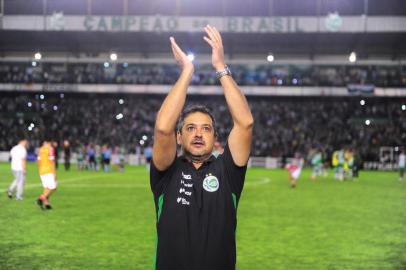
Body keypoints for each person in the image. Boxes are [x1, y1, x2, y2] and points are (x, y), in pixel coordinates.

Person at [150, 25, 253, 270]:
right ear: (179, 137)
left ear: (216, 137)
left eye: (206, 129)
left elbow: (245, 123)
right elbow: (162, 128)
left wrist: (220, 67)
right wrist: (187, 71)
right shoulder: (166, 172)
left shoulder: (228, 171)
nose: (198, 134)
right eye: (190, 128)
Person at [36, 138, 57, 210]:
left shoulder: (40, 149)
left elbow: (38, 161)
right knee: (53, 188)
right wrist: (54, 173)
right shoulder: (50, 149)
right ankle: (40, 199)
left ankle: (47, 204)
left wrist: (39, 170)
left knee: (46, 188)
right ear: (49, 142)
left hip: (41, 171)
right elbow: (52, 161)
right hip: (49, 170)